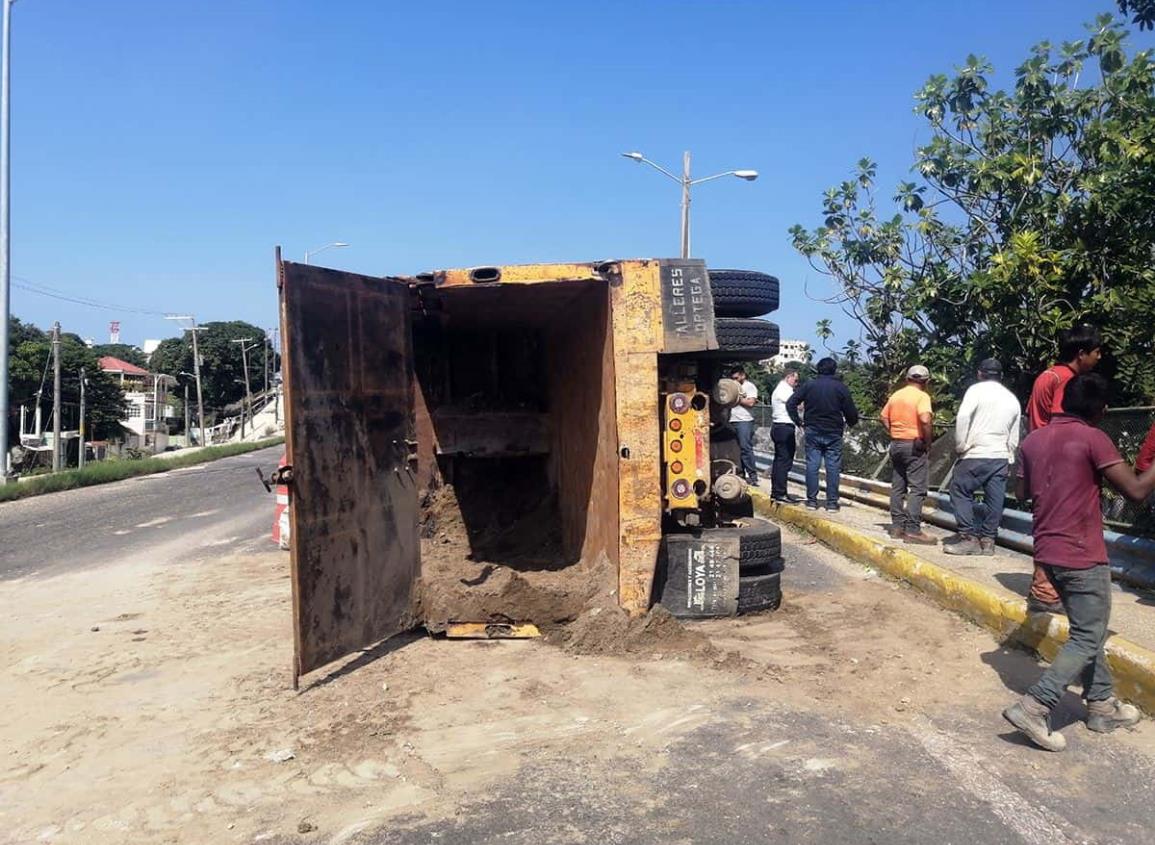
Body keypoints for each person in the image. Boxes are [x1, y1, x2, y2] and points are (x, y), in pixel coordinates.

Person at [1003, 374, 1154, 752]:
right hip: (1081, 552)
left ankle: (1101, 706)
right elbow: (1135, 491)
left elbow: (1020, 491)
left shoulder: (1033, 439)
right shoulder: (1092, 438)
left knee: (1088, 631)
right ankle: (1035, 706)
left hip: (1047, 550)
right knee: (1088, 635)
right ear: (1100, 410)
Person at [1025, 325, 1103, 613]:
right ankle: (1045, 592)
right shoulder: (1066, 381)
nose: (1098, 358)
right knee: (1059, 528)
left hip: (1041, 460)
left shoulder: (1048, 375)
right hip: (1058, 465)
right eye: (1095, 353)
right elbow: (1066, 424)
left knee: (1046, 525)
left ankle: (1044, 588)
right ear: (1081, 354)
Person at [944, 359, 1021, 556]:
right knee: (995, 498)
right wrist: (1009, 454)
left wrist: (961, 445)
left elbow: (962, 418)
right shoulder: (1012, 399)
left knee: (959, 490)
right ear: (1000, 376)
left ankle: (968, 537)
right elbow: (1014, 434)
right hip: (1000, 456)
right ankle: (988, 540)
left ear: (980, 374)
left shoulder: (975, 391)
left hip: (976, 453)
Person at [786, 357, 859, 511]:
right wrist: (851, 423)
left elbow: (790, 403)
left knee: (812, 465)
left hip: (812, 429)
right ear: (834, 370)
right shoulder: (840, 388)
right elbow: (851, 412)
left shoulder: (809, 385)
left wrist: (798, 422)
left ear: (818, 369)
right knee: (833, 467)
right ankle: (832, 503)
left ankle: (812, 501)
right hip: (833, 431)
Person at [880, 365, 936, 544]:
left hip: (896, 443)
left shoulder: (896, 395)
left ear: (907, 379)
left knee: (898, 486)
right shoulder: (922, 397)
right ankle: (913, 530)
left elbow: (883, 416)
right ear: (925, 382)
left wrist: (894, 432)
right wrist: (927, 442)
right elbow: (925, 419)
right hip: (914, 445)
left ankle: (897, 526)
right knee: (917, 488)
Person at [769, 369, 801, 502]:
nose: (796, 383)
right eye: (795, 380)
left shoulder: (780, 389)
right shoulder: (785, 390)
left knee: (779, 461)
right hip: (784, 426)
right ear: (789, 377)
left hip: (779, 426)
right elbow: (797, 405)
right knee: (784, 461)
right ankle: (780, 492)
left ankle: (777, 491)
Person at [729, 367, 760, 485]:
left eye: (737, 378)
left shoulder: (749, 386)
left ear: (743, 375)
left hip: (744, 420)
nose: (735, 380)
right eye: (733, 379)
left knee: (745, 447)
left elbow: (751, 402)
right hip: (732, 419)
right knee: (736, 449)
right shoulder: (732, 386)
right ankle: (740, 473)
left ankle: (753, 476)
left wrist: (736, 399)